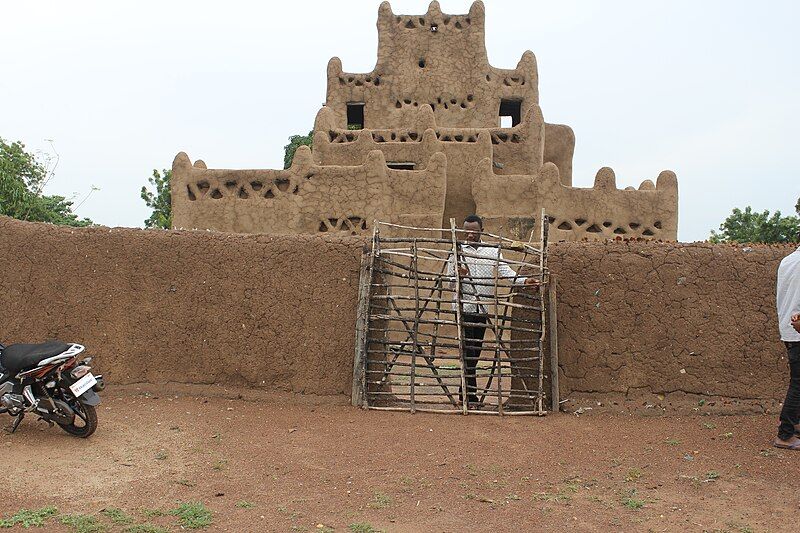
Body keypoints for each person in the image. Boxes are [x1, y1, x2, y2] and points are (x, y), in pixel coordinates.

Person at [447, 214, 539, 407]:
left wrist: (524, 281)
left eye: (474, 230)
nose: (470, 234)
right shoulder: (456, 251)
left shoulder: (492, 251)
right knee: (468, 352)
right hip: (463, 308)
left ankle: (466, 395)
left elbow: (506, 272)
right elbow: (449, 282)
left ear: (481, 230)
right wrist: (459, 276)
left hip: (482, 309)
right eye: (467, 231)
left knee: (476, 352)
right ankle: (468, 397)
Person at [774, 231, 800, 450]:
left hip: (789, 329)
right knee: (798, 384)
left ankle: (795, 425)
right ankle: (785, 435)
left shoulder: (787, 261)